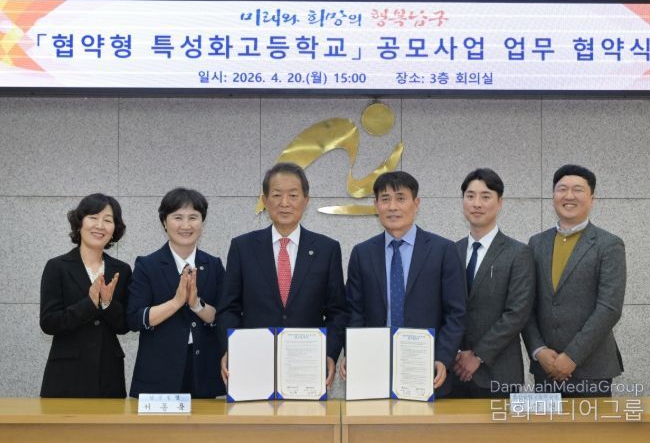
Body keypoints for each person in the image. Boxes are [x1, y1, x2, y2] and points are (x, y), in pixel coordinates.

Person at [217, 162, 348, 388]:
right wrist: (232, 348)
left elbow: (337, 311)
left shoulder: (327, 249)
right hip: (252, 361)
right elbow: (228, 308)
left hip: (307, 365)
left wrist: (329, 353)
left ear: (306, 200)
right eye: (277, 195)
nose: (284, 203)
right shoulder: (243, 247)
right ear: (265, 200)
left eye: (293, 195)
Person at [343, 170, 466, 396]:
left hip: (427, 368)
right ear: (376, 205)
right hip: (373, 367)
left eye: (401, 198)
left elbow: (456, 313)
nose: (392, 207)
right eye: (385, 199)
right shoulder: (362, 253)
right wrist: (354, 352)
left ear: (416, 203)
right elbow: (354, 312)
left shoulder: (443, 250)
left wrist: (442, 358)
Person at [523, 164, 626, 397]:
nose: (569, 196)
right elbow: (526, 305)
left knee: (591, 424)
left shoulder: (609, 244)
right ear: (553, 196)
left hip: (592, 369)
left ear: (592, 199)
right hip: (545, 368)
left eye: (578, 190)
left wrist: (572, 356)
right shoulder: (536, 243)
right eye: (562, 189)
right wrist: (539, 350)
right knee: (545, 424)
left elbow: (609, 308)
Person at [127, 188, 225, 398]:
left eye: (193, 217)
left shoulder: (214, 265)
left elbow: (223, 316)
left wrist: (196, 305)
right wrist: (176, 302)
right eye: (178, 217)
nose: (186, 225)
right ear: (164, 222)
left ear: (202, 222)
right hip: (159, 373)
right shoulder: (147, 265)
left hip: (204, 372)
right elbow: (134, 318)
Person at [449, 168, 534, 398]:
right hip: (452, 371)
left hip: (498, 373)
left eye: (485, 196)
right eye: (470, 196)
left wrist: (477, 355)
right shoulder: (451, 251)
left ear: (500, 202)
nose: (477, 203)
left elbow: (517, 313)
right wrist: (456, 353)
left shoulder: (518, 253)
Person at [40, 193, 131, 397]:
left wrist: (107, 303)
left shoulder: (122, 270)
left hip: (109, 373)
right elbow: (48, 322)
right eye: (93, 217)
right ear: (79, 223)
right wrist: (89, 303)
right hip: (67, 373)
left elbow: (125, 325)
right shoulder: (57, 266)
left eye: (108, 220)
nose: (100, 225)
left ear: (114, 229)